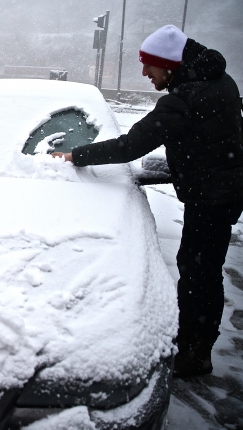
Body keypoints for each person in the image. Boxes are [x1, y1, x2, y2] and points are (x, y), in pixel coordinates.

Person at [52, 25, 243, 378]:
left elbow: (130, 146)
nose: (144, 73)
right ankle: (197, 344)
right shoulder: (221, 81)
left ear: (169, 64)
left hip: (210, 198)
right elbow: (218, 137)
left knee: (196, 274)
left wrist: (75, 155)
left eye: (149, 65)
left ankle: (192, 351)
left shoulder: (183, 101)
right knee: (205, 273)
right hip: (225, 191)